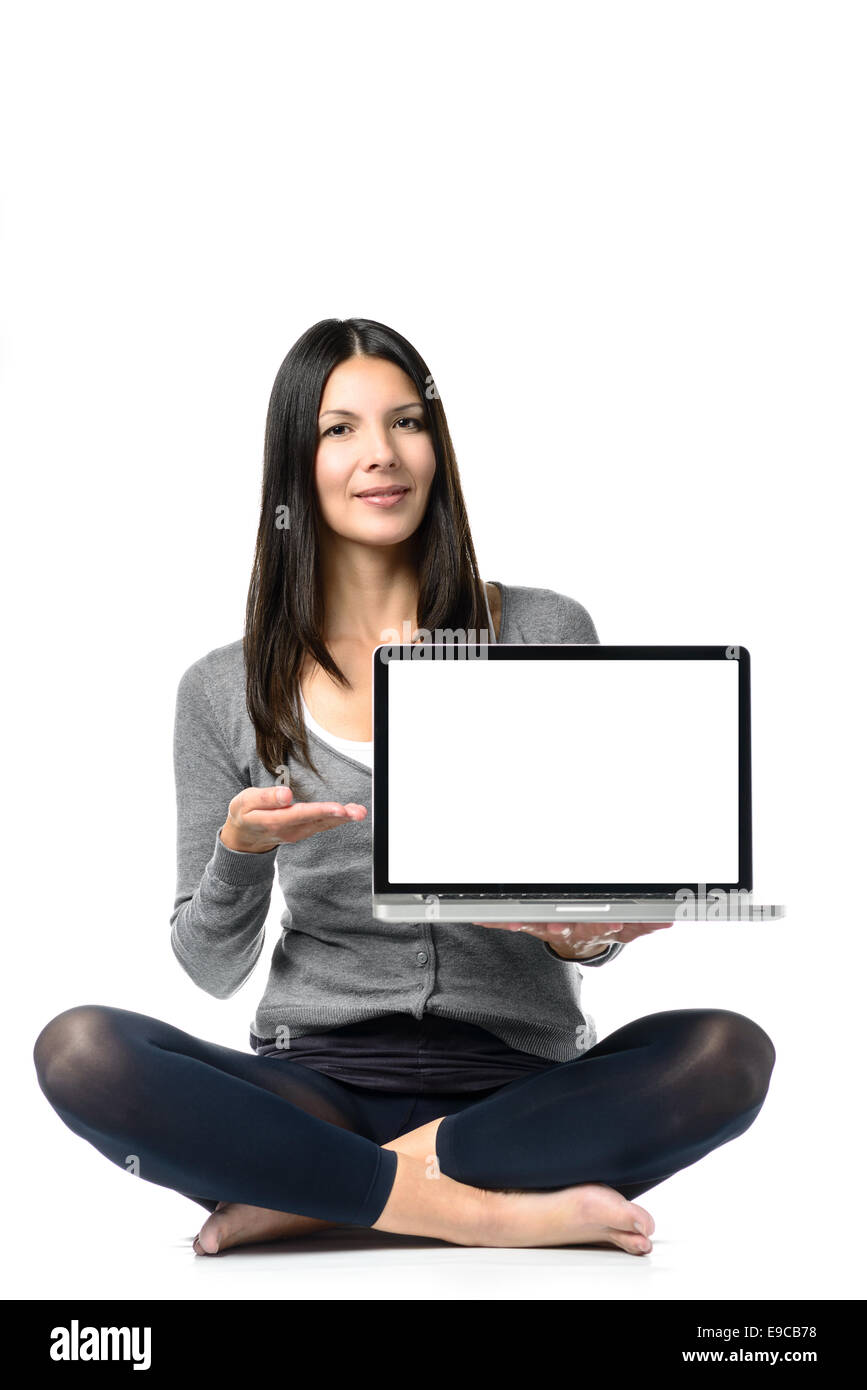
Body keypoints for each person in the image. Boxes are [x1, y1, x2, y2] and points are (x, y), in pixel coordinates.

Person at [32, 317, 776, 1258]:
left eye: (407, 422)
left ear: (437, 444)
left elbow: (594, 909)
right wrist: (239, 854)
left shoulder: (544, 627)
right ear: (294, 464)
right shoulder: (222, 688)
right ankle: (481, 1212)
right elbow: (207, 966)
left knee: (726, 1052)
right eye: (340, 429)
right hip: (316, 1081)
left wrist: (581, 931)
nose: (380, 455)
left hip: (517, 1086)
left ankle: (316, 1190)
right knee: (82, 1050)